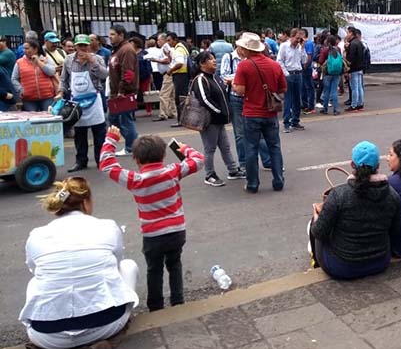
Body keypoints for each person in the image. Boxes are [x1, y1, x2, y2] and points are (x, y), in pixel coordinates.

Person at [19, 177, 139, 349]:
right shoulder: (107, 226)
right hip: (105, 326)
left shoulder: (36, 235)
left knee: (34, 281)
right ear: (85, 202)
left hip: (47, 336)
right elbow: (117, 262)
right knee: (128, 266)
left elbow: (34, 269)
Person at [100, 127, 203, 311]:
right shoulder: (173, 172)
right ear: (163, 155)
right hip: (177, 231)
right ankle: (178, 301)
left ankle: (155, 306)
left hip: (152, 236)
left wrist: (111, 139)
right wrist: (182, 148)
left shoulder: (135, 180)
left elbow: (107, 165)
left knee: (154, 269)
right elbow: (198, 160)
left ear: (136, 159)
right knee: (175, 264)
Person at [310, 141, 401, 279]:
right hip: (380, 262)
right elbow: (395, 230)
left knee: (316, 223)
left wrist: (317, 216)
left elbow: (319, 232)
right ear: (377, 166)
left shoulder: (338, 195)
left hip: (341, 267)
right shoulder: (392, 195)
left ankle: (316, 263)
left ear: (352, 164)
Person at [233, 32, 287, 194]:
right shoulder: (274, 65)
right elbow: (283, 88)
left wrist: (233, 85)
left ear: (246, 49)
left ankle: (253, 184)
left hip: (251, 113)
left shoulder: (244, 66)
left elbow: (240, 90)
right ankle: (278, 180)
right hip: (270, 113)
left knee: (251, 148)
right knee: (274, 147)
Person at [192, 51, 246, 187]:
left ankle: (233, 170)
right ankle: (209, 174)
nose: (214, 61)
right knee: (210, 148)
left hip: (219, 120)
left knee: (225, 146)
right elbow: (205, 100)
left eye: (214, 58)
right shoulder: (201, 79)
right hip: (210, 121)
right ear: (202, 64)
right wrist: (219, 111)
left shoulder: (215, 77)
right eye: (210, 59)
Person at [57, 34, 109, 172]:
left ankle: (100, 160)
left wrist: (92, 61)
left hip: (94, 99)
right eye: (79, 46)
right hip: (77, 101)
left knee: (99, 133)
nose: (82, 48)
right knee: (79, 134)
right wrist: (60, 92)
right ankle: (80, 161)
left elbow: (104, 75)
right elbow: (63, 79)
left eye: (85, 45)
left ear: (89, 46)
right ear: (75, 46)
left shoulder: (98, 58)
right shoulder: (69, 60)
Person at [221, 41, 274, 170]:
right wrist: (241, 79)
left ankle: (267, 161)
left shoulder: (252, 59)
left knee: (259, 131)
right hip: (236, 99)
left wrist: (237, 80)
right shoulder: (229, 57)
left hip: (252, 98)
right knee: (240, 133)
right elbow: (224, 76)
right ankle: (244, 163)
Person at [107, 24, 139, 156]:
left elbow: (128, 73)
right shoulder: (117, 50)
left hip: (124, 92)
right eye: (109, 34)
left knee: (125, 121)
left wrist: (122, 90)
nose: (110, 37)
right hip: (116, 92)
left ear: (121, 35)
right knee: (114, 120)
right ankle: (131, 145)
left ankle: (131, 147)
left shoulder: (126, 50)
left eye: (113, 34)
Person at [12, 37, 56, 111]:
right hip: (28, 99)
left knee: (47, 116)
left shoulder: (46, 59)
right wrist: (21, 90)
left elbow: (51, 72)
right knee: (31, 117)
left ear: (35, 49)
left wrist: (39, 62)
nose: (24, 51)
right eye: (24, 48)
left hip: (47, 97)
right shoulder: (19, 62)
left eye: (27, 48)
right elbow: (14, 79)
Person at [277, 28, 306, 131]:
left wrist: (302, 49)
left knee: (297, 99)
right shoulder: (284, 46)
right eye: (297, 38)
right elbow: (279, 61)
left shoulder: (299, 47)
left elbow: (304, 60)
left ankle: (295, 121)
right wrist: (286, 74)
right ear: (291, 36)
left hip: (298, 73)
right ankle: (286, 122)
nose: (298, 40)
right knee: (288, 99)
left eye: (299, 39)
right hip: (289, 73)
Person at [166, 33, 190, 127]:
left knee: (179, 98)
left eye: (169, 40)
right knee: (183, 97)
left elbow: (179, 63)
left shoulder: (179, 49)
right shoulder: (182, 48)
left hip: (180, 75)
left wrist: (170, 70)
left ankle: (181, 120)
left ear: (175, 40)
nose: (168, 43)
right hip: (183, 75)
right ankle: (184, 119)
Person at [151, 33, 176, 121]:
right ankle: (172, 112)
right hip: (171, 73)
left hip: (167, 73)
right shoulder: (168, 48)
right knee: (171, 95)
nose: (157, 42)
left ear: (164, 40)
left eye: (159, 40)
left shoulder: (165, 47)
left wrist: (156, 60)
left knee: (163, 94)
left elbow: (167, 60)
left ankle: (163, 113)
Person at [318, 34, 343, 115]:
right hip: (337, 72)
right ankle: (336, 109)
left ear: (327, 41)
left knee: (326, 91)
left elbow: (320, 61)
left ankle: (325, 109)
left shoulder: (325, 50)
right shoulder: (338, 49)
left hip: (327, 73)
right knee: (334, 91)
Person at [130, 36, 154, 118]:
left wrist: (150, 74)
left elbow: (148, 64)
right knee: (133, 94)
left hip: (144, 75)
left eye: (132, 43)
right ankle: (132, 111)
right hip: (134, 76)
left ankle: (149, 110)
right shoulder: (130, 52)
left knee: (146, 93)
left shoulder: (144, 53)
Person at [345, 27, 365, 111]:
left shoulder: (353, 44)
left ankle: (354, 105)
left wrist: (348, 69)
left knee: (354, 87)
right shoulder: (359, 42)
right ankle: (360, 103)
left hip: (354, 69)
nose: (346, 35)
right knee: (359, 87)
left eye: (347, 33)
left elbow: (351, 58)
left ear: (351, 33)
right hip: (360, 68)